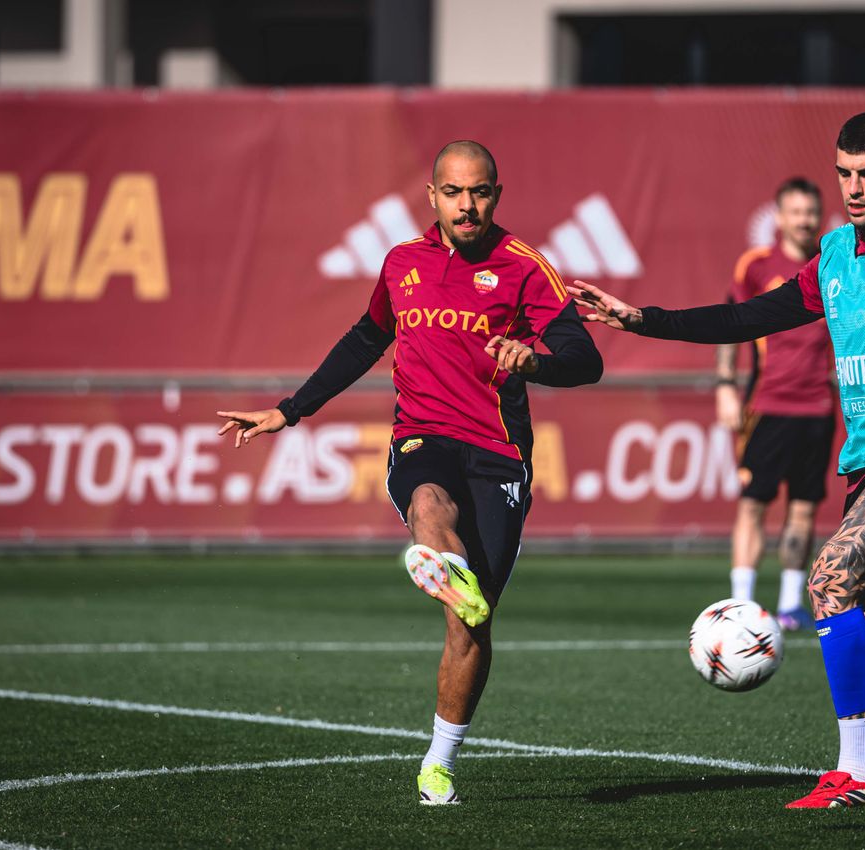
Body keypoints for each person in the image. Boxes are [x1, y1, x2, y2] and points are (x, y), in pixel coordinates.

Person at [572, 112, 865, 810]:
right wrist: (642, 319)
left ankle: (858, 773)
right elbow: (748, 318)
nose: (853, 188)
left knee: (830, 578)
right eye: (844, 174)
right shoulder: (833, 258)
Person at [216, 140, 602, 806]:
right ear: (432, 196)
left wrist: (535, 362)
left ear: (496, 195)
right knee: (426, 499)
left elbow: (584, 359)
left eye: (479, 192)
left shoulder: (525, 267)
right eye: (453, 192)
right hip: (422, 435)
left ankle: (439, 760)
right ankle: (444, 568)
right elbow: (366, 338)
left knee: (471, 627)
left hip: (500, 453)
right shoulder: (402, 263)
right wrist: (290, 410)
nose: (466, 205)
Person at [716, 177, 836, 631]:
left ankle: (790, 604)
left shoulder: (834, 263)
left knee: (803, 508)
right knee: (753, 504)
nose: (805, 220)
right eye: (797, 212)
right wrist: (725, 385)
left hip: (818, 407)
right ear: (780, 217)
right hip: (767, 404)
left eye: (811, 212)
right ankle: (740, 603)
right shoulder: (757, 265)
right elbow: (730, 324)